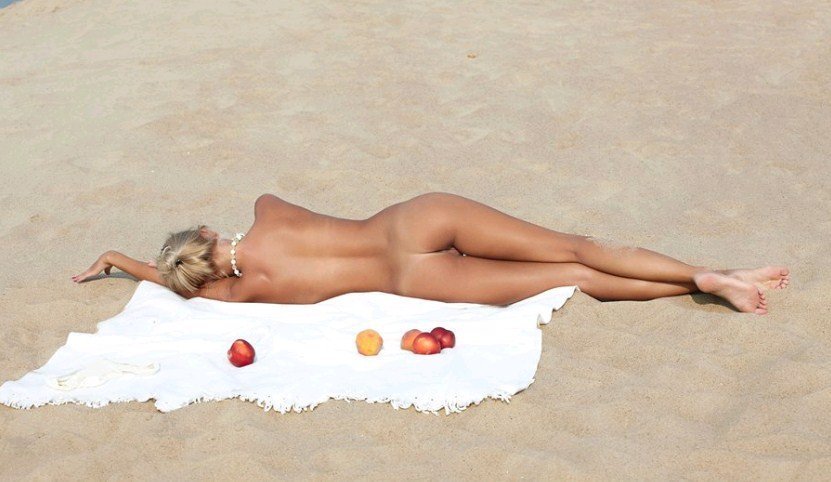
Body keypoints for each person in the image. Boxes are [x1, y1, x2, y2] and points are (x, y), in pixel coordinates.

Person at [72, 192, 789, 314]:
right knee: (576, 245)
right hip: (414, 221)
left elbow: (185, 285)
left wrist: (132, 265)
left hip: (413, 277)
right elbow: (263, 197)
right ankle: (706, 271)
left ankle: (709, 285)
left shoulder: (245, 292)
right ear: (207, 235)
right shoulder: (266, 214)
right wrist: (116, 252)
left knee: (571, 277)